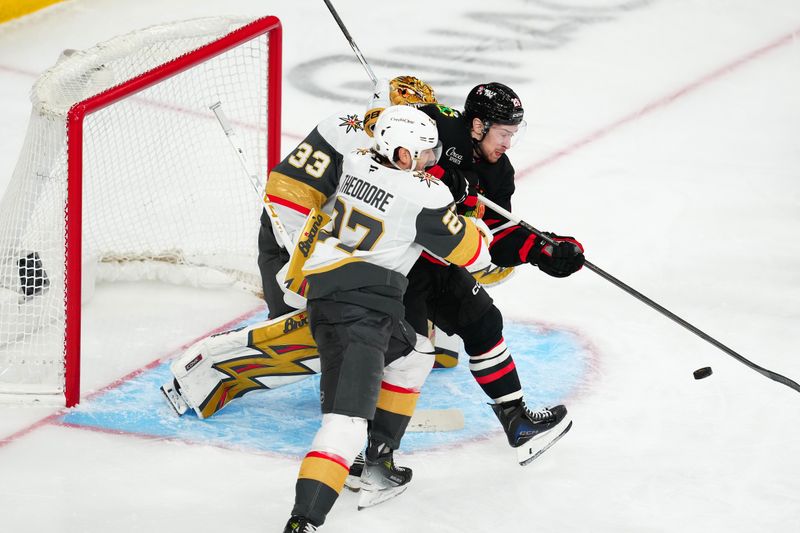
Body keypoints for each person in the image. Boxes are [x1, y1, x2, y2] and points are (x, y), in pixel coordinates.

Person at [283, 105, 491, 532]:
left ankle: (378, 460)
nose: (433, 161)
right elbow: (474, 255)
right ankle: (303, 522)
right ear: (401, 154)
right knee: (344, 424)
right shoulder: (423, 195)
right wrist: (479, 230)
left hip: (335, 295)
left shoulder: (357, 159)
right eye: (426, 154)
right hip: (361, 312)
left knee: (416, 355)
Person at [394, 82, 584, 463]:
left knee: (483, 322)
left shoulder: (499, 172)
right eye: (503, 134)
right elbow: (386, 151)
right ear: (478, 125)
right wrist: (434, 174)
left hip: (437, 263)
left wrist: (540, 248)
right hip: (394, 260)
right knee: (404, 356)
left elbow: (497, 233)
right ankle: (369, 452)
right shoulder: (437, 127)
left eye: (513, 134)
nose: (508, 144)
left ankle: (517, 420)